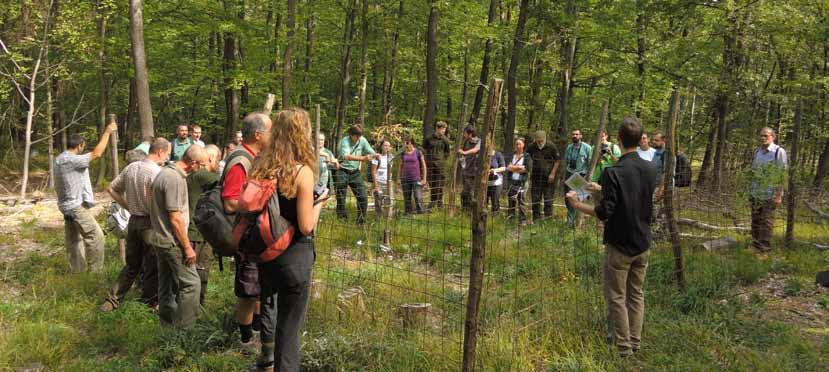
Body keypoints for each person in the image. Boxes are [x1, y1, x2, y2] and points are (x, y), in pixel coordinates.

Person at [245, 108, 328, 372]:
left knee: (272, 314)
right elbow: (306, 225)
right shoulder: (301, 171)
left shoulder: (261, 165)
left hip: (267, 254)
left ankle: (266, 361)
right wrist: (321, 204)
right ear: (302, 134)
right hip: (294, 258)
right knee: (290, 329)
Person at [566, 117, 655, 358]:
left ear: (618, 138)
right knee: (636, 294)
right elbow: (633, 195)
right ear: (640, 139)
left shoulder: (612, 171)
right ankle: (635, 342)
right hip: (643, 242)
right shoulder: (650, 167)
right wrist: (601, 190)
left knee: (617, 296)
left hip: (620, 245)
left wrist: (576, 204)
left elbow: (604, 212)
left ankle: (625, 349)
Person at [99, 138, 169, 312]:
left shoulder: (131, 168)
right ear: (160, 152)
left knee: (132, 265)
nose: (167, 157)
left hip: (133, 221)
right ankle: (150, 303)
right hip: (149, 223)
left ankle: (112, 300)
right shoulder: (157, 172)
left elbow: (111, 189)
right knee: (152, 264)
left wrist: (127, 206)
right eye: (167, 153)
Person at [223, 113, 273, 351]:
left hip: (255, 235)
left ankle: (254, 331)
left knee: (256, 289)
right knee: (247, 291)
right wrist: (261, 200)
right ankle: (245, 340)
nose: (272, 137)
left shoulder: (253, 158)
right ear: (258, 135)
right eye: (270, 131)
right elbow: (230, 202)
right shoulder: (241, 161)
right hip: (245, 236)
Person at [147, 145, 207, 327]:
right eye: (202, 165)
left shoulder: (164, 173)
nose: (202, 169)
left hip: (160, 239)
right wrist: (187, 247)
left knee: (166, 286)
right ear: (194, 164)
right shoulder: (174, 179)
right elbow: (175, 218)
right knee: (192, 284)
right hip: (172, 242)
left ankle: (167, 325)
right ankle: (185, 332)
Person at [54, 123, 117, 273]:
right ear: (80, 145)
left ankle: (76, 273)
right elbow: (97, 153)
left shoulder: (61, 158)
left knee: (74, 240)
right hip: (75, 207)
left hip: (66, 206)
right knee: (96, 236)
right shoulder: (70, 159)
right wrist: (108, 132)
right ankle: (95, 273)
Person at [186, 144, 222, 305]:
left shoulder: (198, 176)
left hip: (198, 232)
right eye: (216, 159)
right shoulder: (202, 175)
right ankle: (196, 311)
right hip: (196, 234)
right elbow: (228, 182)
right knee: (199, 273)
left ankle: (196, 309)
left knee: (198, 272)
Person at [748, 127, 788, 252]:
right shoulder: (757, 152)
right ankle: (755, 245)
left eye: (766, 136)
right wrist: (750, 191)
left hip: (770, 193)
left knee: (766, 222)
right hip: (756, 192)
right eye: (761, 136)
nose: (763, 138)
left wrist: (779, 195)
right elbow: (753, 172)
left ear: (773, 137)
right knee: (755, 220)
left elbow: (783, 174)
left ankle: (764, 249)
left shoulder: (778, 152)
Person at [336, 125, 378, 224]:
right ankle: (342, 219)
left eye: (360, 136)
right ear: (351, 135)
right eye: (356, 136)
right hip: (343, 171)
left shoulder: (362, 140)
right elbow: (346, 156)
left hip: (355, 172)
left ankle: (360, 222)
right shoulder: (345, 141)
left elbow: (370, 151)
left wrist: (376, 155)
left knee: (363, 196)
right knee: (341, 197)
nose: (358, 138)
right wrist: (363, 158)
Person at [525, 130, 560, 222]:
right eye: (538, 140)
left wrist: (552, 174)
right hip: (536, 177)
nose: (540, 142)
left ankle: (548, 220)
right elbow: (526, 158)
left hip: (549, 178)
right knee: (535, 199)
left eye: (541, 140)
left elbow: (557, 161)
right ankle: (536, 220)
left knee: (548, 199)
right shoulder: (531, 147)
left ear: (545, 139)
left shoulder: (551, 146)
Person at [563, 129, 592, 226]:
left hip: (580, 175)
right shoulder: (569, 148)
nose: (574, 136)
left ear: (581, 136)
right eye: (573, 134)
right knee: (568, 199)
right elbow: (565, 162)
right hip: (569, 174)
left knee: (579, 199)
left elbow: (590, 163)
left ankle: (577, 222)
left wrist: (587, 178)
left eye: (576, 134)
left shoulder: (587, 148)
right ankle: (570, 222)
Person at [423, 121, 451, 209]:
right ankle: (433, 201)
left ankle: (439, 202)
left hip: (440, 165)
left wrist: (442, 160)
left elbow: (447, 152)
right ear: (437, 128)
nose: (443, 131)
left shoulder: (445, 140)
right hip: (430, 164)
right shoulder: (429, 138)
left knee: (440, 184)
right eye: (442, 129)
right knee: (432, 183)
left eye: (444, 129)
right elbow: (424, 149)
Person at [505, 137, 533, 224]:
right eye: (516, 144)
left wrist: (513, 168)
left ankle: (522, 220)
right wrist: (518, 167)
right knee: (511, 200)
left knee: (522, 201)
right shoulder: (511, 155)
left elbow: (526, 169)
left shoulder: (527, 156)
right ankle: (510, 218)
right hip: (512, 181)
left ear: (523, 145)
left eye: (519, 144)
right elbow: (508, 167)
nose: (517, 146)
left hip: (522, 182)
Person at [398, 137, 428, 214]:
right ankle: (408, 213)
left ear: (411, 143)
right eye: (404, 143)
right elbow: (400, 166)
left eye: (407, 142)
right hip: (405, 179)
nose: (405, 144)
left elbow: (424, 166)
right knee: (407, 198)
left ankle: (421, 212)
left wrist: (424, 179)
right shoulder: (403, 153)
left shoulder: (418, 152)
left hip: (416, 178)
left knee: (418, 196)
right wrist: (398, 178)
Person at [458, 125, 481, 209]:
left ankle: (472, 211)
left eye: (465, 133)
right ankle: (465, 210)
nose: (464, 135)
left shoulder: (479, 141)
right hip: (466, 170)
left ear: (470, 134)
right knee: (465, 192)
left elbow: (475, 150)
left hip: (474, 172)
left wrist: (464, 152)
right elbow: (462, 154)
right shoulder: (466, 142)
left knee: (470, 192)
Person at [371, 140, 392, 217]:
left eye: (388, 146)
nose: (387, 147)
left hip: (387, 183)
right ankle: (378, 218)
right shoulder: (377, 157)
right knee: (378, 201)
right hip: (379, 182)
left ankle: (387, 218)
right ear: (382, 146)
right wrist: (376, 185)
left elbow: (390, 170)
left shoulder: (390, 157)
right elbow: (373, 171)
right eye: (385, 145)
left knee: (387, 201)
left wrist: (390, 182)